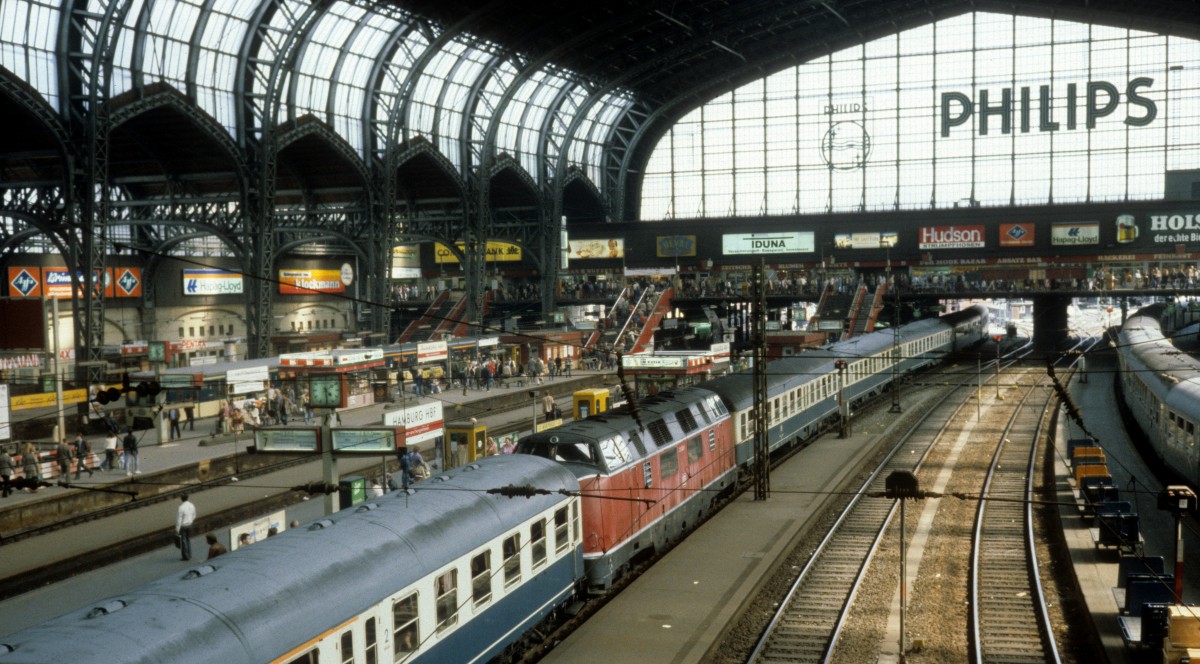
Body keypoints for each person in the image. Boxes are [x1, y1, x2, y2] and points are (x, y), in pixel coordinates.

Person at [176, 495, 195, 561]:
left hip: (183, 526)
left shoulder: (181, 507)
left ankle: (186, 557)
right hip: (189, 525)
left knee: (183, 541)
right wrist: (191, 521)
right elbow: (194, 514)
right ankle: (190, 555)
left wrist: (177, 529)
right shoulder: (191, 505)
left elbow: (179, 519)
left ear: (181, 499)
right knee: (188, 539)